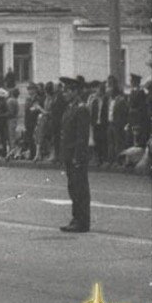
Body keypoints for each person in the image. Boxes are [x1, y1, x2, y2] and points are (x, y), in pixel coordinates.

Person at [58, 76, 91, 233]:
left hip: (77, 156)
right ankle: (75, 218)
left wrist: (78, 156)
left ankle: (82, 221)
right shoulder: (70, 108)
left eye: (67, 90)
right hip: (69, 155)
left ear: (75, 92)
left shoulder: (81, 109)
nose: (64, 93)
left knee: (80, 189)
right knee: (73, 188)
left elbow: (81, 137)